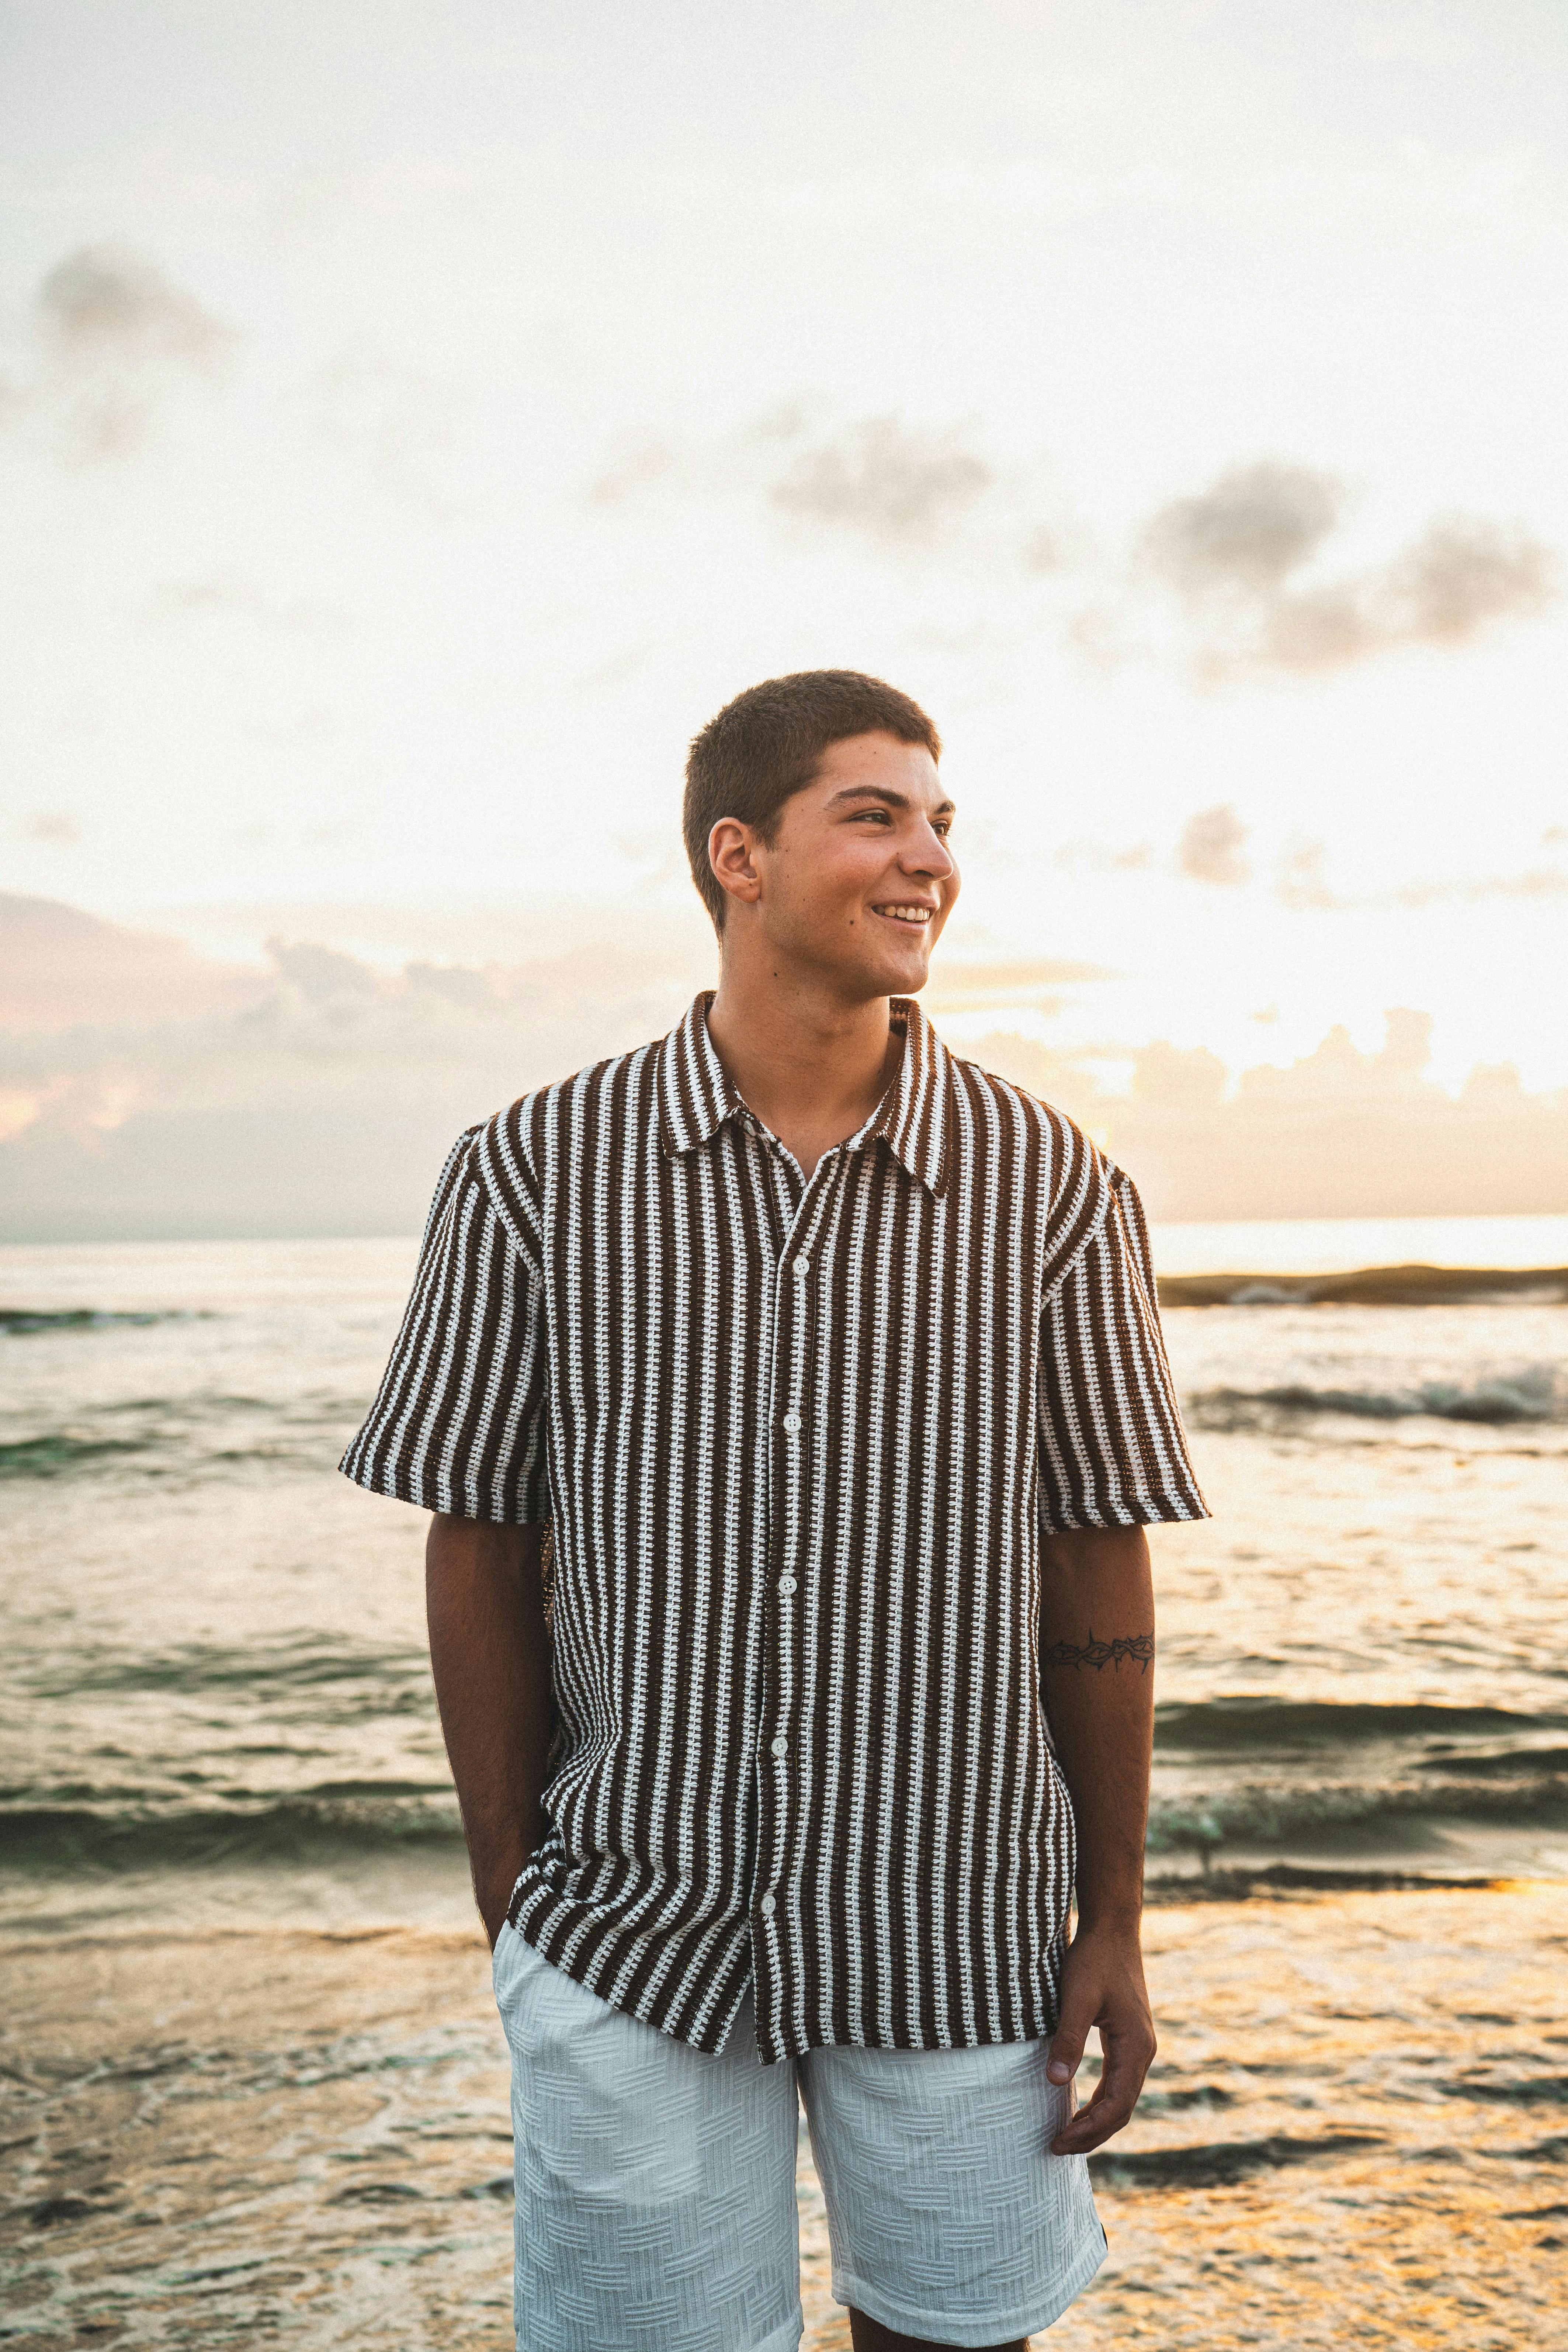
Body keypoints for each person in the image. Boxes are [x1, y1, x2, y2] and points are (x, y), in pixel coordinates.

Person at [341, 669, 1208, 2352]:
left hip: (964, 1926)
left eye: (941, 822)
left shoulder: (1052, 1188)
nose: (927, 860)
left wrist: (1112, 1918)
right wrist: (511, 1879)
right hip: (628, 1929)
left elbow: (1097, 1564)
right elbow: (480, 1535)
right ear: (737, 854)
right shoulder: (531, 1172)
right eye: (873, 814)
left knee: (955, 2337)